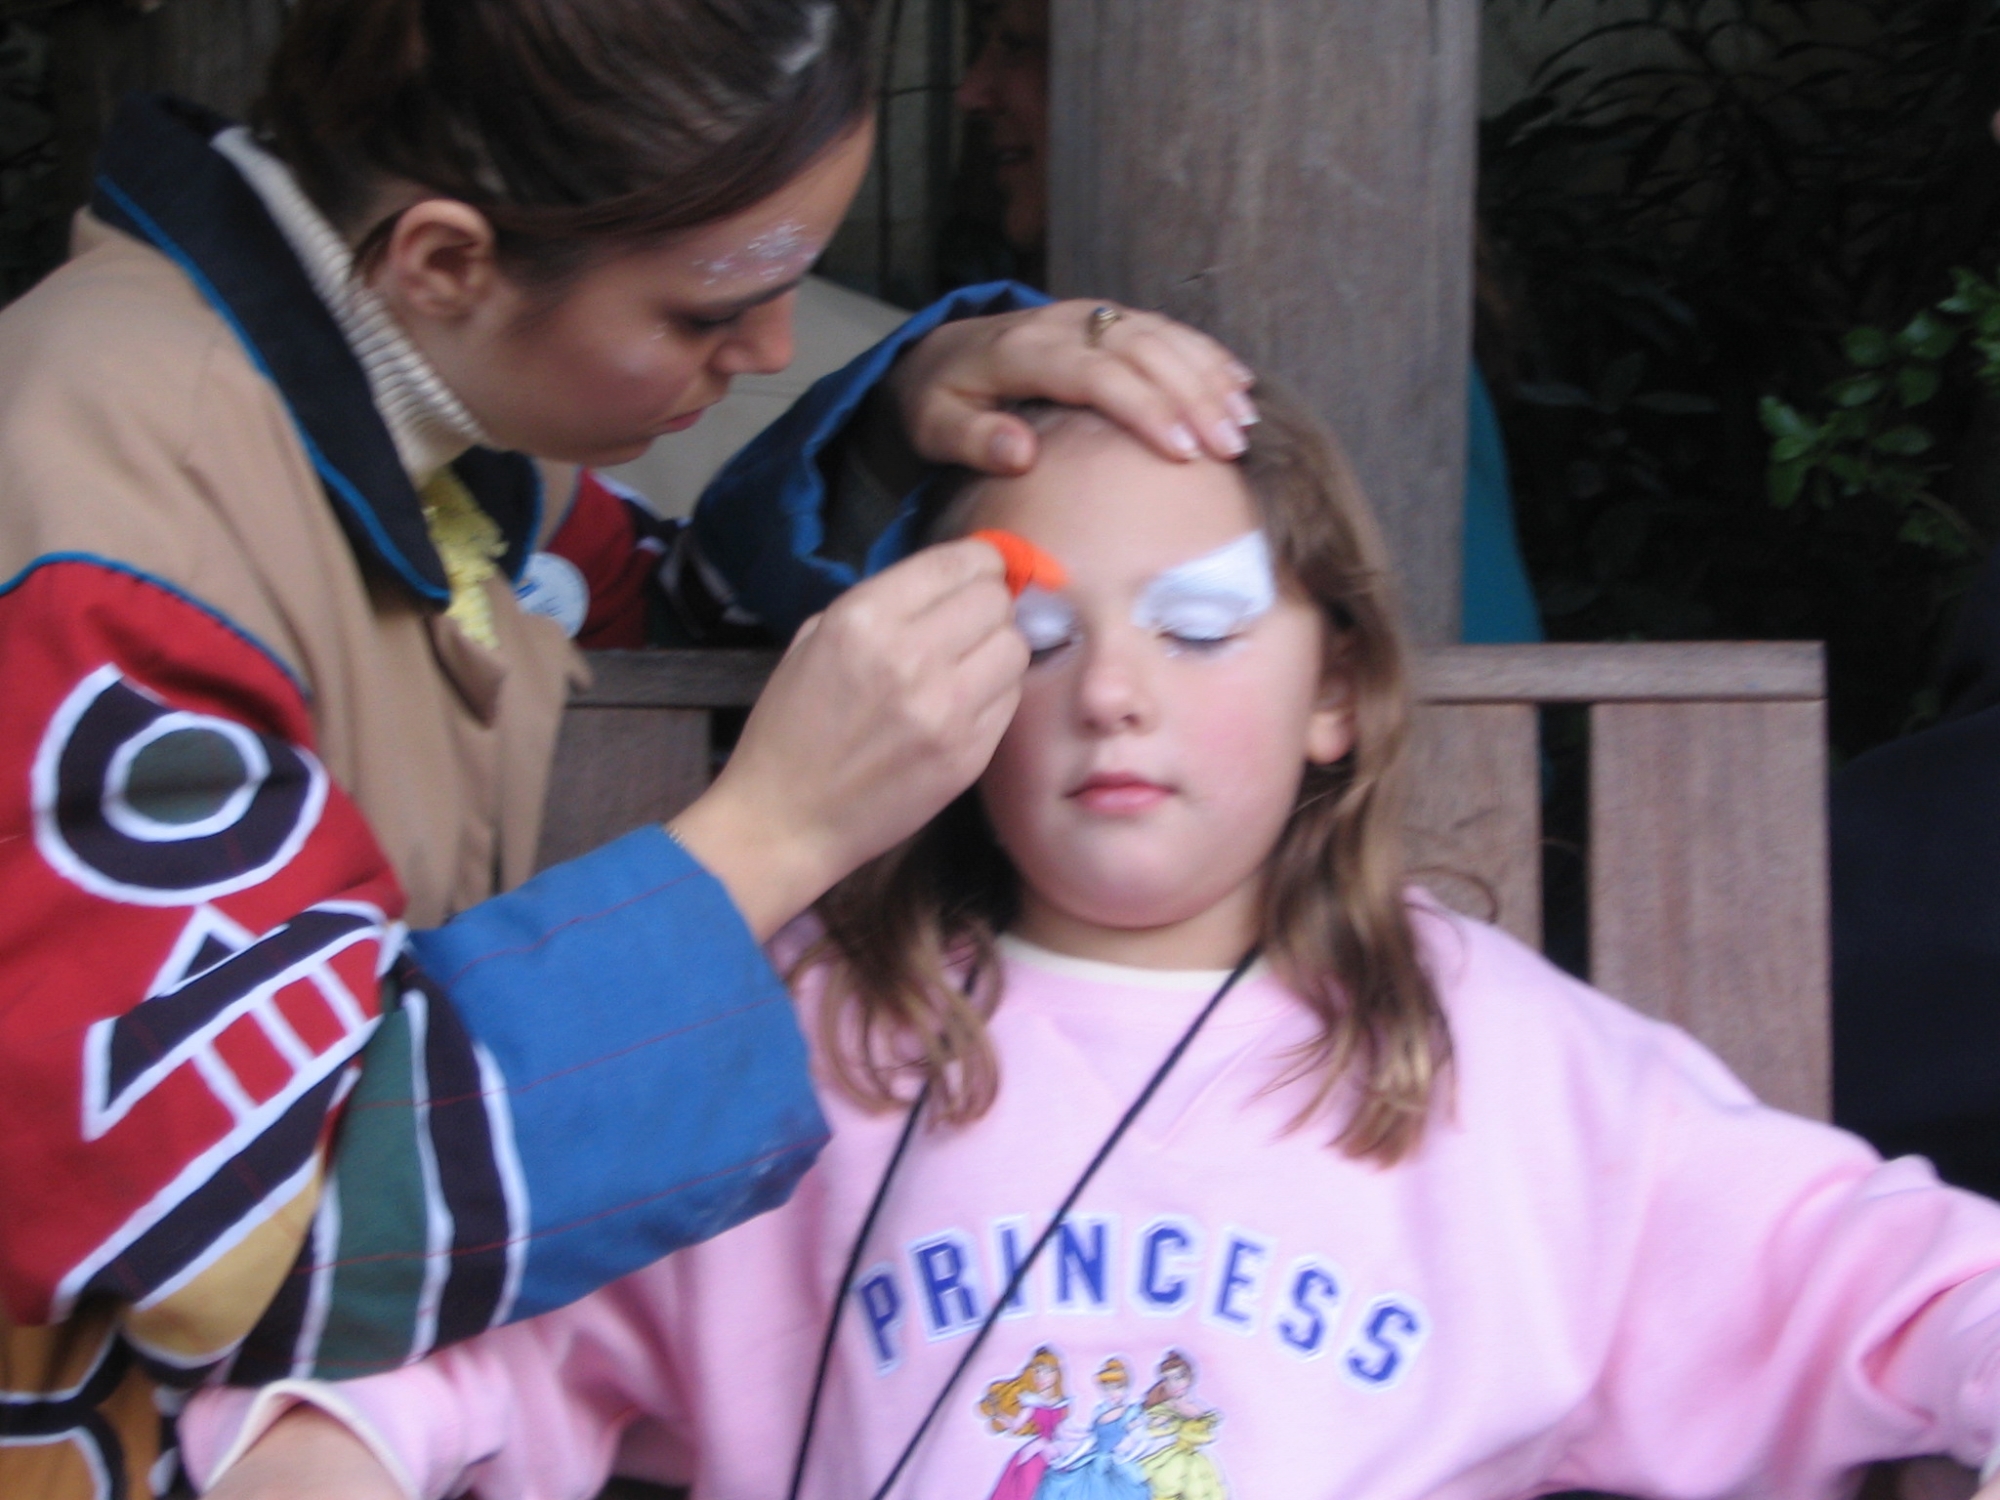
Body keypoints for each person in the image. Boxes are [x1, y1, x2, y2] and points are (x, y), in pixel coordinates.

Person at [184, 390, 2000, 1500]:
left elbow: (1893, 1279)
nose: (1116, 692)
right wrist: (334, 1449)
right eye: (1040, 636)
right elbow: (470, 1325)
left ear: (1340, 691)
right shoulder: (808, 1045)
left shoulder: (1506, 1073)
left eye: (1204, 630)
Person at [0, 0, 1260, 1494]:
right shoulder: (102, 518)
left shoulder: (389, 421)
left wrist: (900, 423)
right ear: (447, 258)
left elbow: (638, 612)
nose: (777, 345)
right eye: (707, 308)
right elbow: (232, 1224)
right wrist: (771, 836)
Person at [952, 0, 1542, 647]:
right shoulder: (1035, 342)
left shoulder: (1371, 362)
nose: (973, 91)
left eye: (1016, 46)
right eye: (1043, 640)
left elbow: (1470, 704)